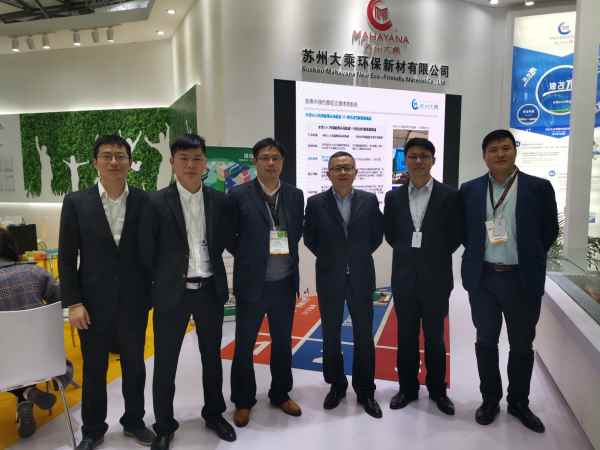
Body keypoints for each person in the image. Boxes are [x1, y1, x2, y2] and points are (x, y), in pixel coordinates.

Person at [139, 134, 236, 450]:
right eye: (184, 159)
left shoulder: (220, 201)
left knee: (212, 359)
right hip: (172, 294)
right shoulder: (154, 202)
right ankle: (164, 425)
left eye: (196, 159)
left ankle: (214, 414)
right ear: (172, 162)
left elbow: (228, 240)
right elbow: (146, 251)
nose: (191, 165)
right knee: (165, 363)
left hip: (209, 290)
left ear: (205, 162)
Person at [59, 135, 154, 450]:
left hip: (134, 302)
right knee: (94, 368)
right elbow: (67, 257)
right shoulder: (76, 202)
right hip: (92, 304)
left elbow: (152, 252)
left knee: (135, 367)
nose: (114, 161)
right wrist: (73, 302)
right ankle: (93, 429)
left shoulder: (145, 201)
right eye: (107, 155)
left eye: (120, 155)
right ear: (95, 162)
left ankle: (134, 421)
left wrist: (150, 295)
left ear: (130, 162)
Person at [460, 129, 558, 433]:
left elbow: (549, 231)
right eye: (493, 150)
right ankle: (490, 400)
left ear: (514, 151)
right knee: (485, 341)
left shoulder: (538, 188)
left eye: (505, 148)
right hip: (484, 279)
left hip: (522, 279)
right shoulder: (470, 189)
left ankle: (518, 402)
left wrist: (527, 256)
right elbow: (464, 231)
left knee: (521, 344)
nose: (500, 154)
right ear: (484, 156)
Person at [228, 138, 304, 427]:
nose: (270, 163)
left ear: (282, 162)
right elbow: (230, 236)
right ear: (255, 162)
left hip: (284, 283)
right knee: (244, 345)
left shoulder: (295, 195)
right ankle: (243, 400)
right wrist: (252, 257)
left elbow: (296, 233)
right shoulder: (238, 195)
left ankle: (280, 393)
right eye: (264, 158)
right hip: (252, 284)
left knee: (282, 343)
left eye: (275, 158)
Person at [383, 138, 460, 416]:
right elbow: (391, 234)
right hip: (404, 277)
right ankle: (407, 388)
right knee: (405, 336)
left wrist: (430, 255)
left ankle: (438, 391)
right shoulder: (393, 197)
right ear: (405, 160)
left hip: (436, 278)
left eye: (424, 156)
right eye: (413, 156)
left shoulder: (450, 195)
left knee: (435, 338)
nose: (418, 161)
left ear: (433, 161)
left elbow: (455, 235)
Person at [303, 151, 383, 418]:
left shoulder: (369, 200)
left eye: (348, 167)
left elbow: (376, 236)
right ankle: (336, 385)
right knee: (331, 333)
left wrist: (355, 257)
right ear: (328, 173)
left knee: (364, 335)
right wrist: (333, 259)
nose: (343, 172)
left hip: (361, 276)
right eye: (337, 168)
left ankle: (365, 390)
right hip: (330, 277)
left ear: (356, 172)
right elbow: (310, 238)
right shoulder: (315, 203)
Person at [0, 227, 60, 438]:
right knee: (23, 351)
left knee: (8, 354)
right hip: (44, 359)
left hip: (5, 366)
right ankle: (27, 393)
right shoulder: (36, 272)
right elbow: (58, 300)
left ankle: (26, 393)